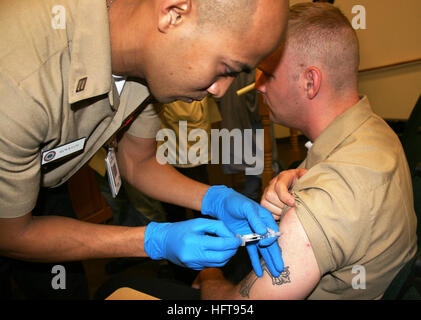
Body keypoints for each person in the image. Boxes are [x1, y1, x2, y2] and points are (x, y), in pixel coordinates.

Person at [0, 0, 289, 299]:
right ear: (173, 12)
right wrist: (154, 241)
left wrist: (214, 199)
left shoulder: (151, 59)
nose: (219, 91)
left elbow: (138, 161)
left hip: (44, 189)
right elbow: (10, 234)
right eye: (226, 68)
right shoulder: (18, 80)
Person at [195, 2, 418, 300]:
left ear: (310, 82)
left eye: (267, 75)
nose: (258, 86)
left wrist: (210, 276)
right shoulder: (377, 130)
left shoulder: (327, 198)